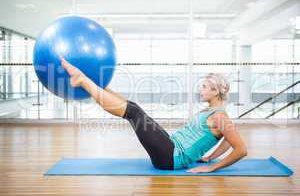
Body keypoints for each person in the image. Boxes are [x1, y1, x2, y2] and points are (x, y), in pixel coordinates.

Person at [60, 57, 247, 172]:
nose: (201, 90)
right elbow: (229, 139)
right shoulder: (214, 113)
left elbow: (241, 149)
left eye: (205, 87)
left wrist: (212, 167)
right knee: (134, 107)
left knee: (132, 112)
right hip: (171, 146)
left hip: (171, 157)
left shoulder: (221, 117)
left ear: (215, 92)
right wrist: (209, 156)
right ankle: (101, 89)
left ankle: (83, 81)